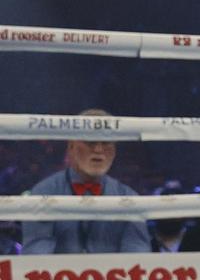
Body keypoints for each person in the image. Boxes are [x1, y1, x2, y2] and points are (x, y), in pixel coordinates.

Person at [21, 109, 151, 254]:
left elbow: (138, 258)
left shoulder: (129, 197)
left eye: (107, 142)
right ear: (71, 147)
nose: (98, 149)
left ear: (114, 150)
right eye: (90, 141)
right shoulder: (43, 192)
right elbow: (37, 256)